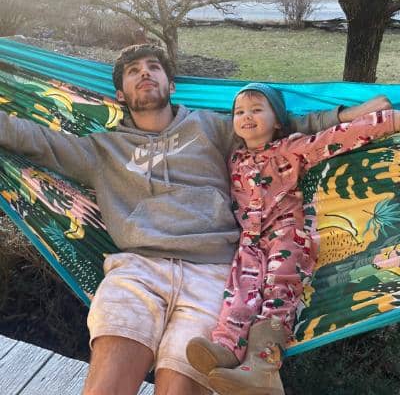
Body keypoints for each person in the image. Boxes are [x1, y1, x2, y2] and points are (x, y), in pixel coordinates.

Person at [0, 44, 392, 395]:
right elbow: (31, 138)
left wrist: (351, 114)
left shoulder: (212, 126)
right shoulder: (101, 150)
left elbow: (283, 127)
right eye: (134, 71)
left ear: (171, 85)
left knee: (182, 384)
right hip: (138, 269)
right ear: (120, 94)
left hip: (215, 274)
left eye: (153, 67)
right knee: (108, 382)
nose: (145, 74)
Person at [186, 83, 400, 395]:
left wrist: (389, 120)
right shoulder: (233, 157)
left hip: (287, 238)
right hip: (249, 242)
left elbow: (334, 138)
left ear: (278, 121)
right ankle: (227, 347)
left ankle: (263, 368)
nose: (246, 117)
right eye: (239, 112)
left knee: (277, 295)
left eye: (256, 110)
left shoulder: (290, 148)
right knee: (239, 291)